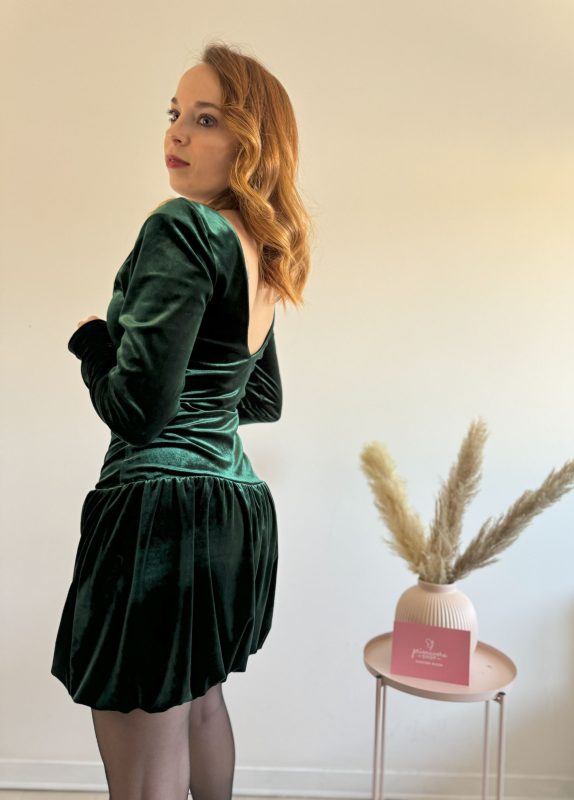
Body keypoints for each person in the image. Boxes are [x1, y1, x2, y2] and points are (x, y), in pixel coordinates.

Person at [51, 41, 312, 800]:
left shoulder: (183, 228)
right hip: (233, 509)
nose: (176, 133)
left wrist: (92, 340)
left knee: (143, 722)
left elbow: (138, 411)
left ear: (251, 144)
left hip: (159, 514)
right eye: (175, 114)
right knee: (198, 705)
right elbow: (260, 399)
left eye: (206, 119)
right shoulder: (259, 252)